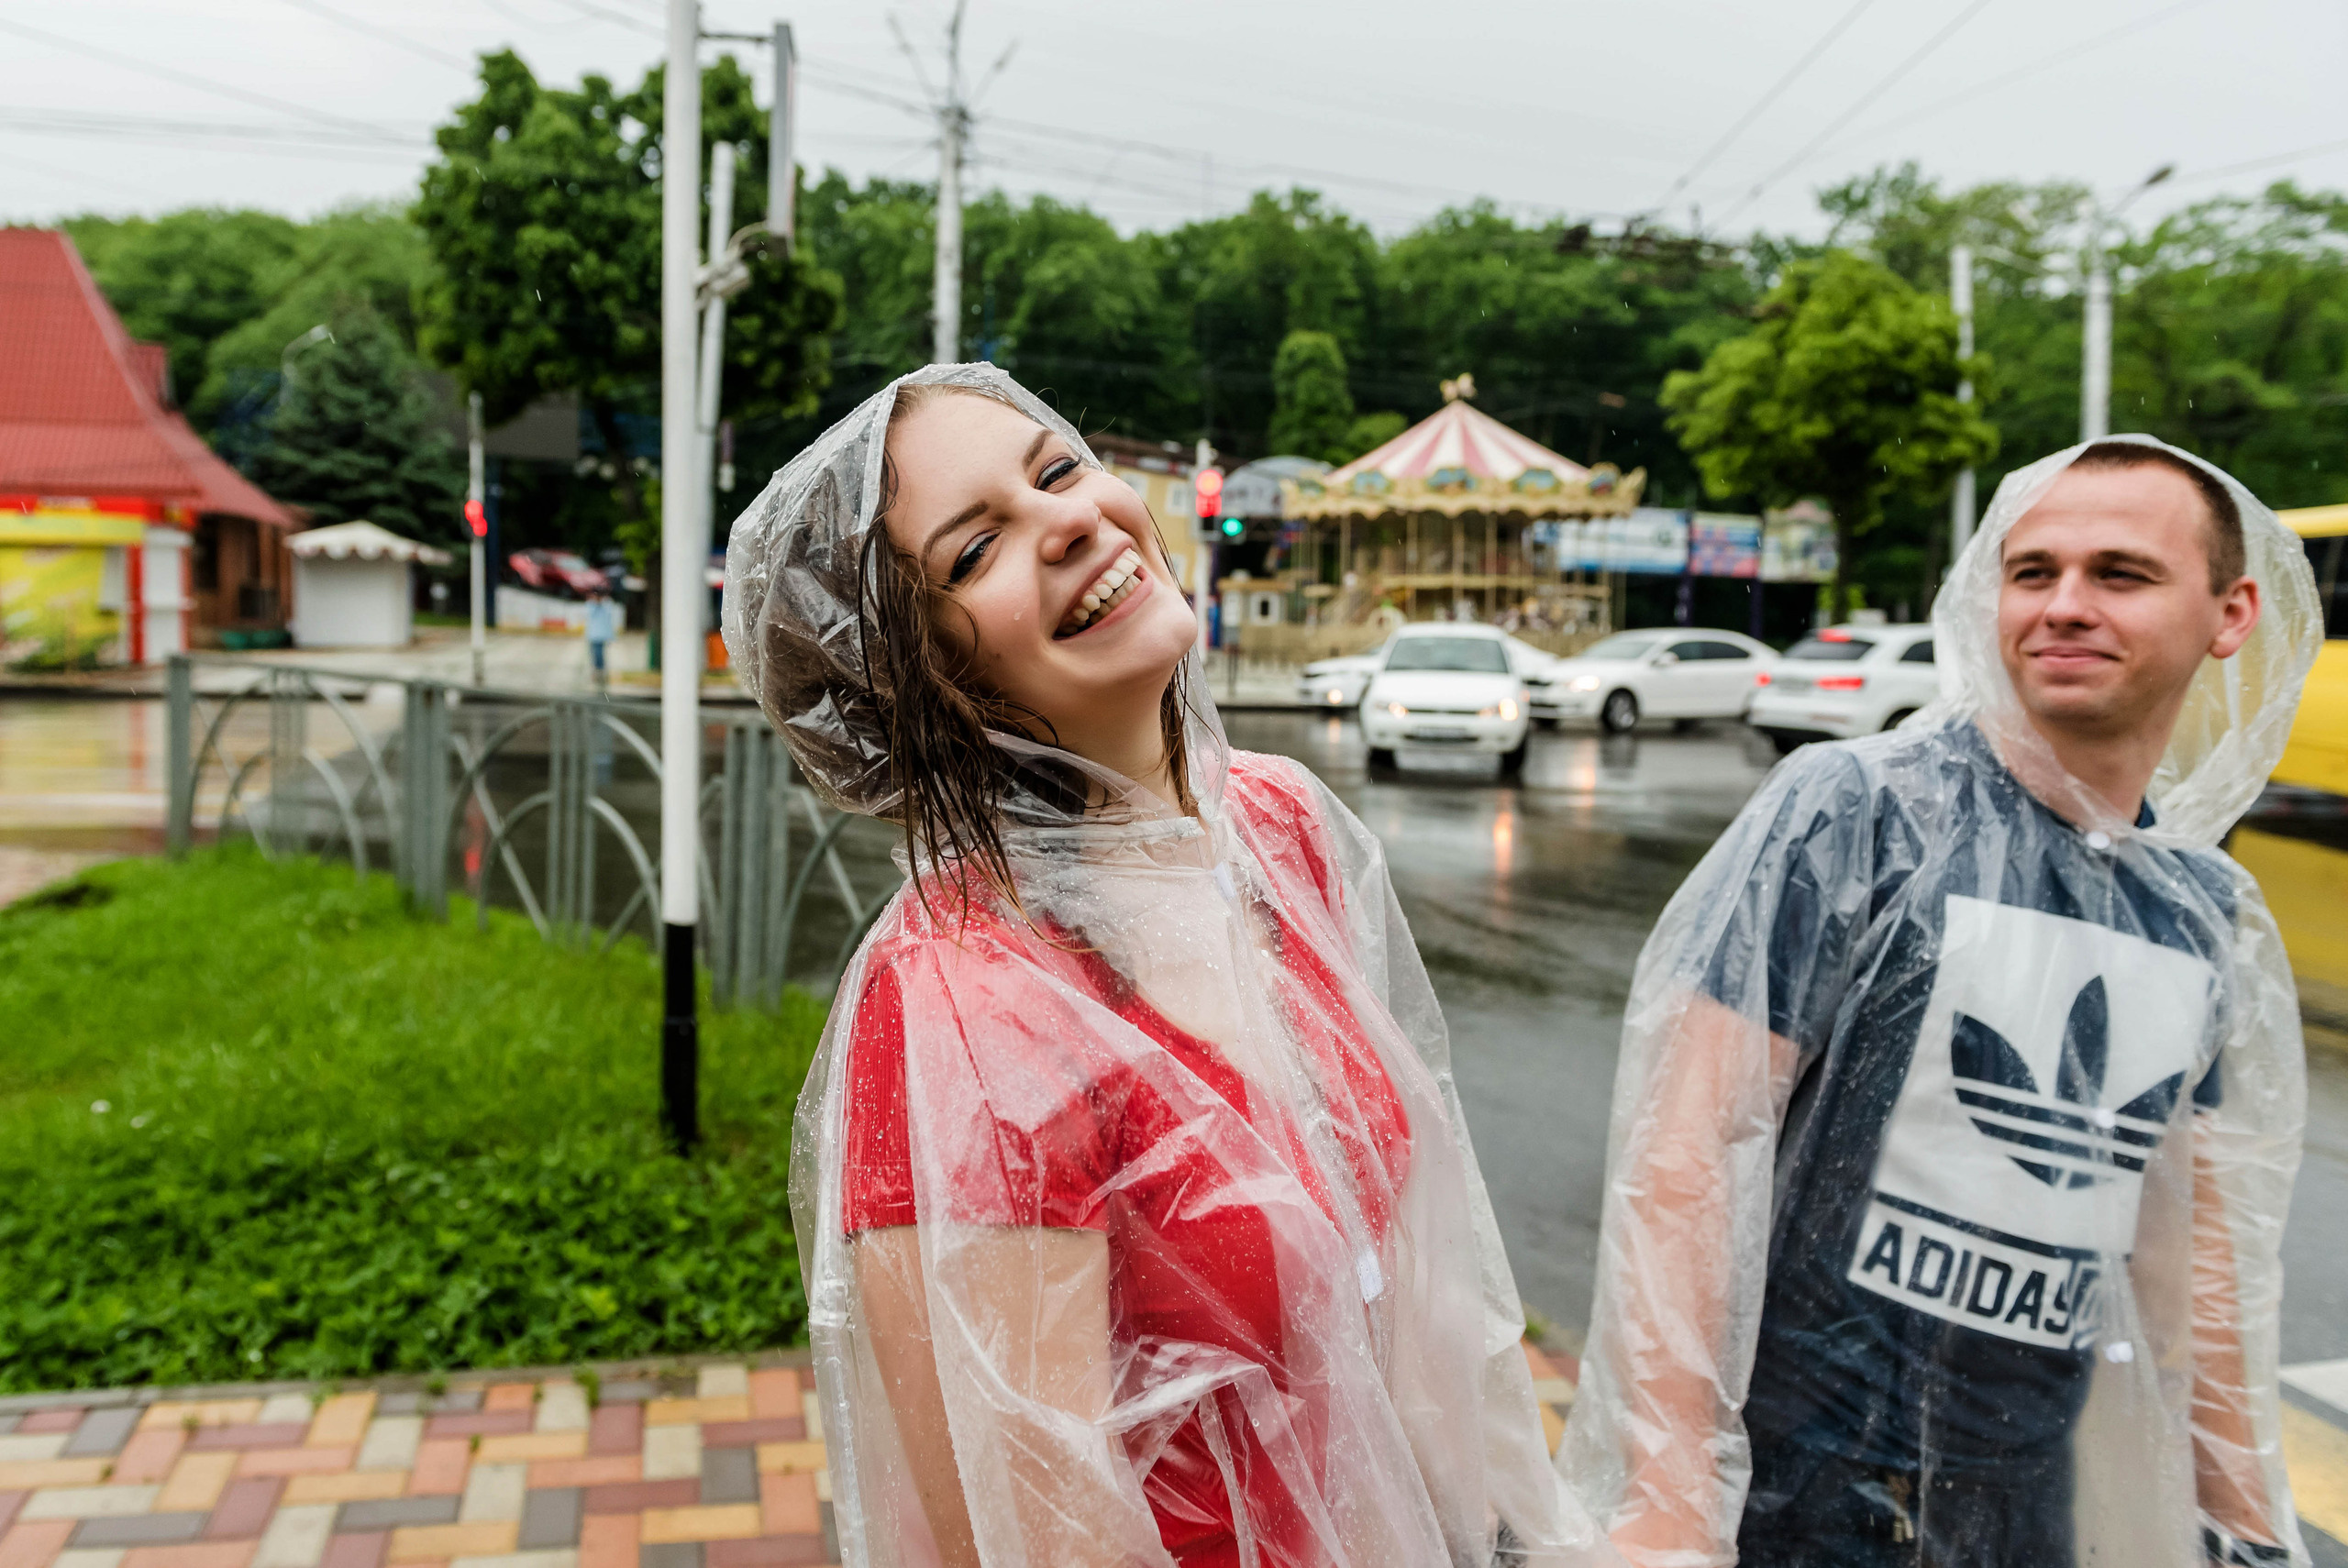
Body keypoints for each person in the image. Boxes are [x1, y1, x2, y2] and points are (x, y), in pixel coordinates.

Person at [722, 364, 1612, 1568]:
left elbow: (1405, 1287)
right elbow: (1038, 1532)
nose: (1073, 519)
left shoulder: (1279, 829)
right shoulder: (968, 1010)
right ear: (911, 682)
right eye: (977, 549)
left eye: (1057, 470)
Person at [1560, 436, 2324, 1568]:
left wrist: (2242, 1522)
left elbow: (2189, 1265)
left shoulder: (2197, 907)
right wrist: (1672, 1497)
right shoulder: (1856, 814)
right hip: (1790, 1497)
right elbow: (1687, 1155)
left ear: (2231, 612)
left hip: (2021, 1509)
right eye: (2032, 572)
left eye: (2119, 574)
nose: (2064, 605)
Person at [583, 588, 621, 690]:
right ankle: (596, 670)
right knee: (594, 653)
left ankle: (600, 671)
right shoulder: (591, 605)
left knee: (599, 653)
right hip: (593, 634)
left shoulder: (607, 604)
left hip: (601, 634)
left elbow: (609, 619)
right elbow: (589, 615)